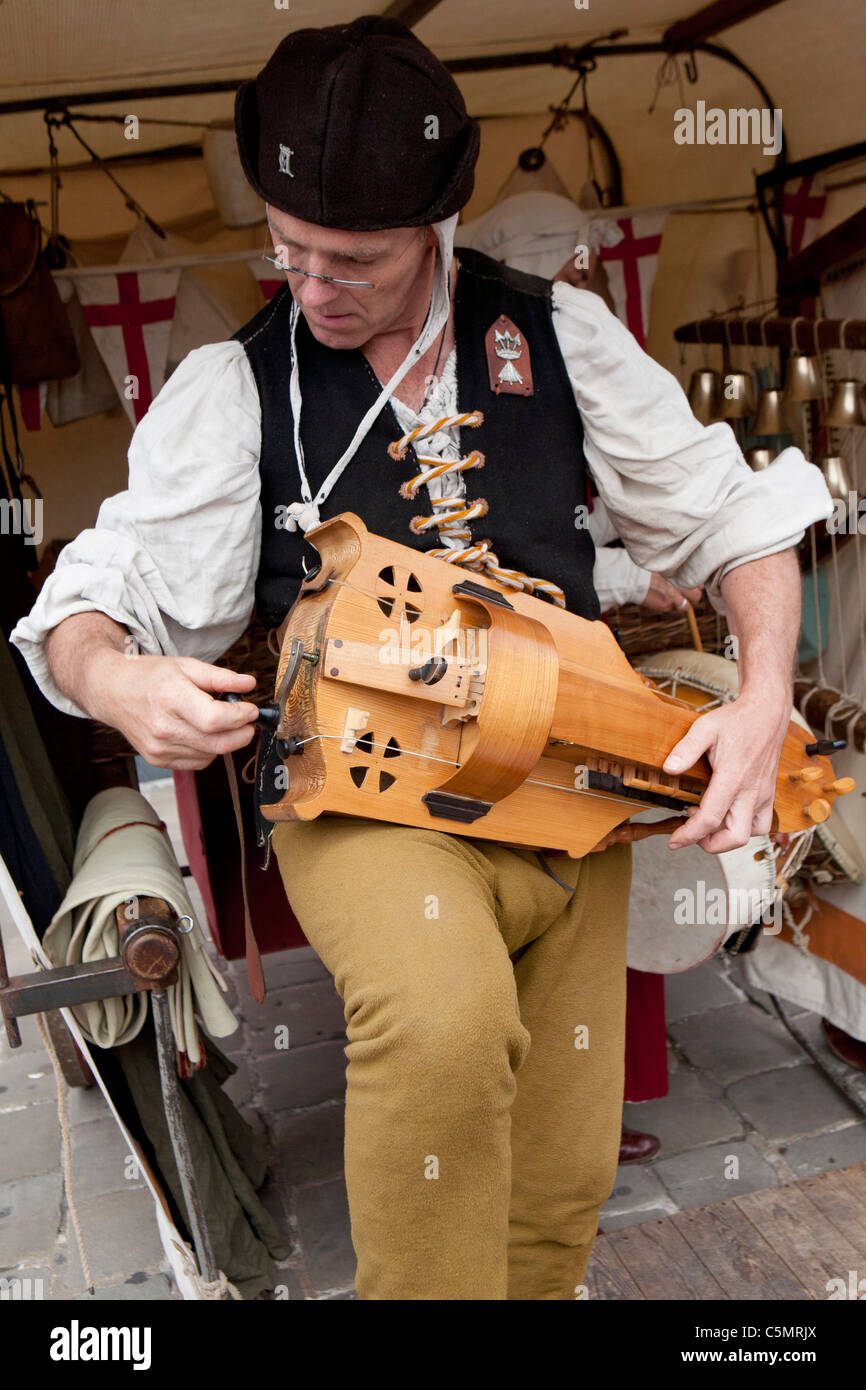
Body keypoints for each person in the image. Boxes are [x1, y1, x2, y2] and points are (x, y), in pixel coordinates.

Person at [11, 16, 832, 1300]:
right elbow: (90, 597)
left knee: (558, 1178)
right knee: (444, 1032)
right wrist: (119, 677)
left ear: (438, 223)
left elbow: (737, 520)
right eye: (289, 253)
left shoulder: (558, 336)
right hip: (367, 802)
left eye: (353, 260)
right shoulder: (240, 387)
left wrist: (764, 697)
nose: (314, 286)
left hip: (577, 798)